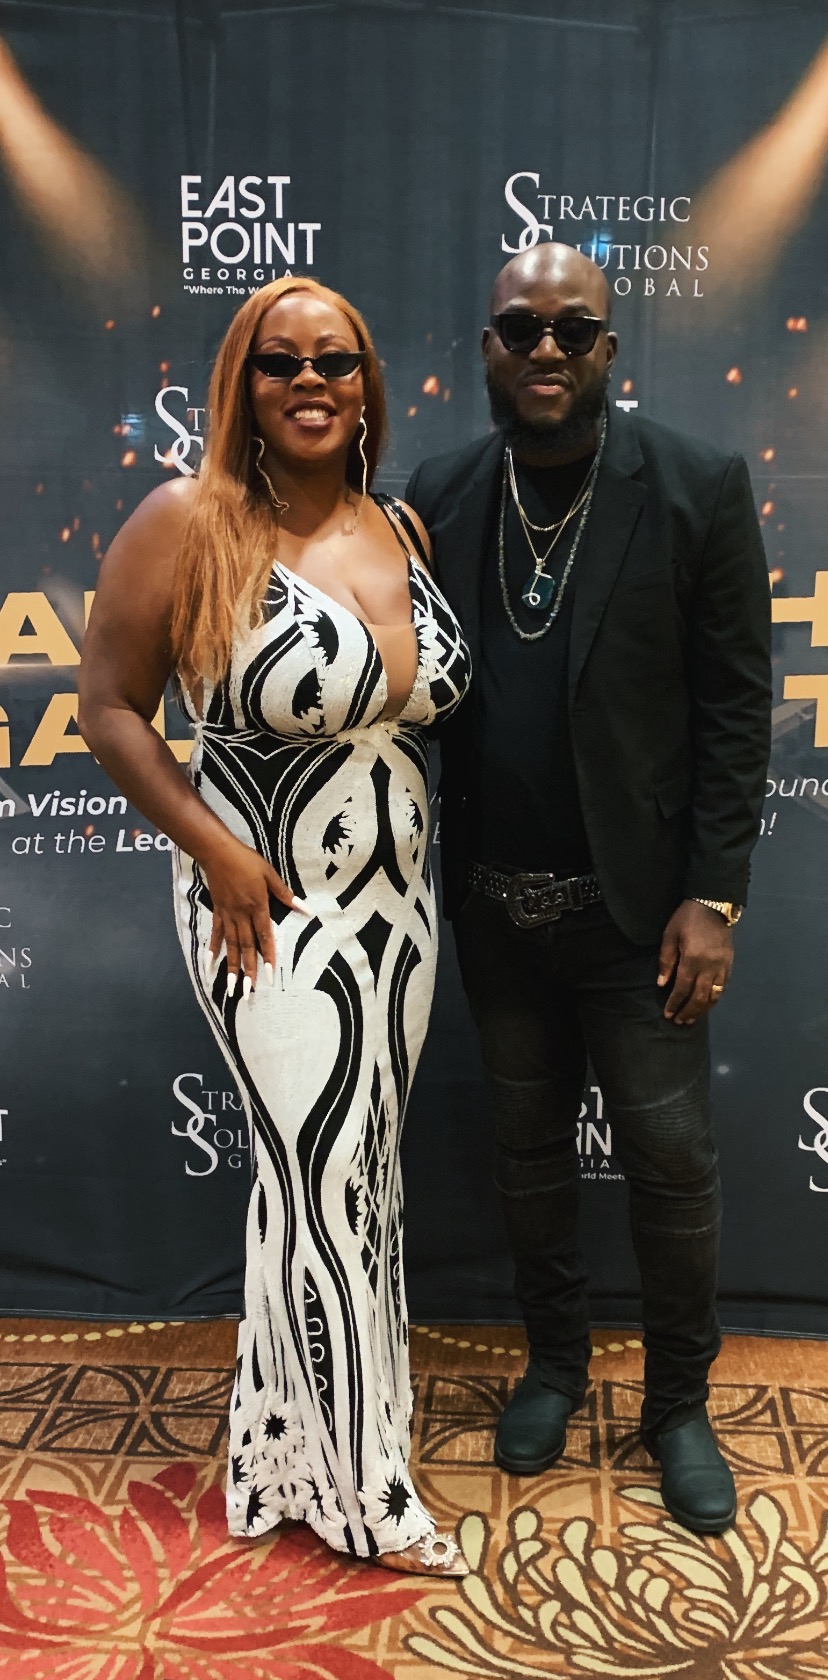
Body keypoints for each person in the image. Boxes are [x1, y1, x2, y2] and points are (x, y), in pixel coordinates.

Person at [78, 276, 472, 1574]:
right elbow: (111, 708)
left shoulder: (398, 524)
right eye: (281, 362)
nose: (311, 381)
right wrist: (216, 851)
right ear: (240, 385)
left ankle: (279, 1449)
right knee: (325, 1179)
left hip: (397, 914)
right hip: (265, 910)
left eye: (336, 360)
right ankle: (368, 1490)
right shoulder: (188, 520)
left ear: (368, 383)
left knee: (345, 1180)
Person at [406, 243, 772, 1536]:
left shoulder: (694, 486)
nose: (547, 348)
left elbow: (738, 708)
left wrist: (713, 896)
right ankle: (553, 1367)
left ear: (611, 348)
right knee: (526, 1158)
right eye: (522, 329)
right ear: (489, 347)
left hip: (642, 920)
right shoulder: (440, 497)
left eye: (573, 329)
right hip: (497, 909)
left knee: (672, 1165)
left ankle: (678, 1406)